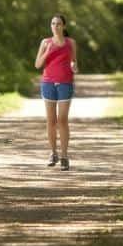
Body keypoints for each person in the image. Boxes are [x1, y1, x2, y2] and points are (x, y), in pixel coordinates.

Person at [34, 14, 78, 170]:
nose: (55, 26)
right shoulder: (45, 42)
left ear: (63, 26)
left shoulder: (70, 42)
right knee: (51, 121)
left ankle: (65, 156)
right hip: (48, 83)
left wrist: (74, 67)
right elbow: (38, 64)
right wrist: (47, 51)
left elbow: (74, 62)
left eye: (58, 24)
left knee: (62, 120)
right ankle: (53, 153)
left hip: (65, 83)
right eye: (53, 23)